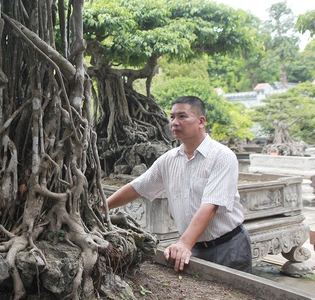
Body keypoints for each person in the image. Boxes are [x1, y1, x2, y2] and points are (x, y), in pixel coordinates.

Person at [106, 96, 252, 273]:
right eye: (172, 117)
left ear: (201, 121)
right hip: (194, 248)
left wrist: (183, 243)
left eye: (182, 116)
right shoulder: (168, 159)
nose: (175, 122)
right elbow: (137, 187)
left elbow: (210, 205)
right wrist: (100, 208)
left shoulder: (222, 156)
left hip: (228, 247)